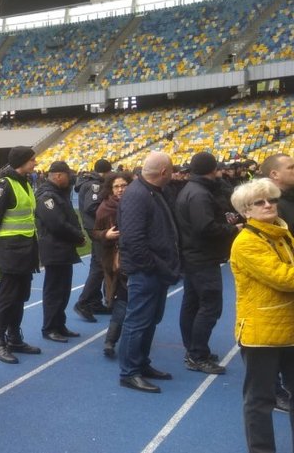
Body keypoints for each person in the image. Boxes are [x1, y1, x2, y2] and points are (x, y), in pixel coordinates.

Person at [228, 178, 294, 453]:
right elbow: (284, 278)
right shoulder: (246, 243)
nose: (268, 205)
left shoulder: (281, 232)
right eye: (260, 202)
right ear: (246, 210)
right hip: (261, 332)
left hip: (289, 327)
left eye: (272, 199)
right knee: (260, 400)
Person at [116, 152, 180, 393]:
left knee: (150, 320)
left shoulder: (151, 192)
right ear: (164, 172)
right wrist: (156, 267)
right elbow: (133, 239)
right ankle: (129, 372)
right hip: (146, 272)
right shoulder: (137, 195)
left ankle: (141, 364)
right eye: (172, 170)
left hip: (155, 271)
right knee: (137, 321)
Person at [174, 152, 242, 375]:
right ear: (213, 169)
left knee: (192, 303)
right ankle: (197, 354)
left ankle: (194, 348)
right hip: (202, 257)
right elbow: (205, 227)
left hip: (194, 255)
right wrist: (233, 229)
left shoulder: (191, 190)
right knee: (210, 306)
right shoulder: (200, 194)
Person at [0, 146, 42, 364]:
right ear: (22, 161)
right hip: (10, 249)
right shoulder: (4, 184)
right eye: (32, 160)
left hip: (26, 248)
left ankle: (14, 337)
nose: (35, 163)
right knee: (7, 297)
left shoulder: (23, 181)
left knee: (20, 295)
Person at [34, 161, 85, 343]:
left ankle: (59, 324)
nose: (70, 178)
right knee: (54, 291)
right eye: (67, 175)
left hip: (63, 249)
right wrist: (78, 236)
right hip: (54, 248)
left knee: (63, 291)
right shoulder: (47, 196)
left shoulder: (58, 194)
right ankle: (49, 327)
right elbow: (57, 224)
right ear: (57, 175)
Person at [261, 153, 294, 413]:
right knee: (273, 344)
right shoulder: (272, 206)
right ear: (274, 174)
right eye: (290, 167)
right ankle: (273, 390)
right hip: (277, 285)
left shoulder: (289, 198)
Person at [89, 172, 133, 358]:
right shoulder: (104, 209)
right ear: (110, 189)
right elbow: (95, 233)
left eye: (123, 185)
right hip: (116, 261)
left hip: (136, 257)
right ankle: (111, 341)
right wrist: (105, 234)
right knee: (122, 301)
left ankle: (129, 338)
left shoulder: (136, 204)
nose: (120, 189)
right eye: (116, 186)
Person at [73, 158, 112, 322]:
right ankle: (84, 301)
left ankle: (94, 301)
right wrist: (109, 212)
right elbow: (92, 206)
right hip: (97, 228)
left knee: (98, 264)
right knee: (100, 266)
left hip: (94, 227)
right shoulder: (95, 185)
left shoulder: (91, 182)